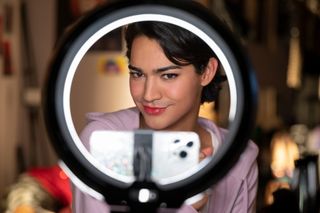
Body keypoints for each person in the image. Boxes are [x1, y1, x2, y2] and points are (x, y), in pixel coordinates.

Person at [73, 21, 258, 213]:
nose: (148, 95)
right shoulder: (101, 143)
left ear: (207, 72)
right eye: (137, 74)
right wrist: (184, 206)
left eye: (168, 75)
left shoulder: (240, 158)